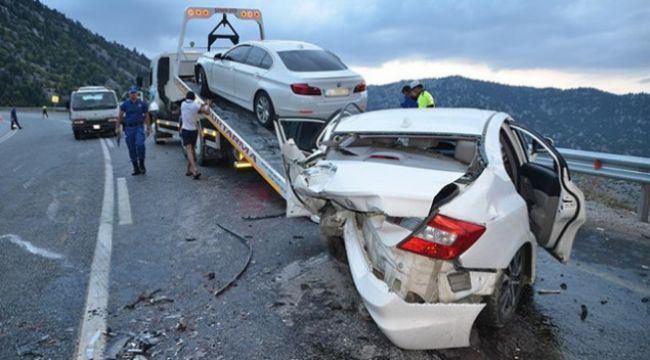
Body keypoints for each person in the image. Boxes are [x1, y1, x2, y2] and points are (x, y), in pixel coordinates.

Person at [117, 85, 151, 176]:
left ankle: (142, 164)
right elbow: (120, 116)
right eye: (131, 93)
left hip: (139, 127)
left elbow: (147, 115)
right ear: (129, 93)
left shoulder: (142, 103)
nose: (133, 94)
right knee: (131, 148)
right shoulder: (125, 104)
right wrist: (117, 127)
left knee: (140, 144)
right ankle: (135, 167)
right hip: (129, 128)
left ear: (137, 93)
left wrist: (148, 128)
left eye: (134, 93)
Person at [180, 91, 210, 179]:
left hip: (185, 130)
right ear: (193, 98)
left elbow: (194, 105)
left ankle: (194, 169)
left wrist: (202, 104)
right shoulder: (195, 105)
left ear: (186, 97)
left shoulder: (183, 104)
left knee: (189, 150)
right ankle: (189, 170)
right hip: (194, 131)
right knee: (191, 150)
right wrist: (207, 104)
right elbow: (206, 112)